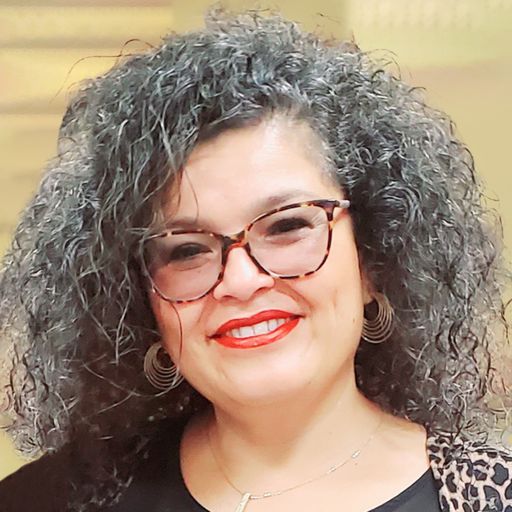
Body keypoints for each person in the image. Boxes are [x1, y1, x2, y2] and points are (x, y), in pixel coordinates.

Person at [0, 9, 511, 512]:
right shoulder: (43, 501)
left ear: (373, 261)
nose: (241, 280)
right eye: (187, 250)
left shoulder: (493, 496)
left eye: (287, 226)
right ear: (141, 302)